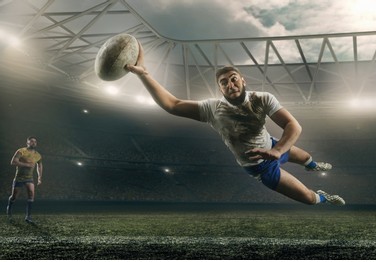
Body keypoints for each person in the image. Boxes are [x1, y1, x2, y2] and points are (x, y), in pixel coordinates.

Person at [126, 43, 344, 206]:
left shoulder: (262, 98)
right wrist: (144, 75)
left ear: (243, 80)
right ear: (220, 89)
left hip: (272, 146)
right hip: (258, 166)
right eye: (223, 82)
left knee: (306, 157)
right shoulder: (212, 109)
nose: (230, 84)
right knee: (308, 198)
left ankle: (312, 165)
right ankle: (324, 197)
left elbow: (293, 125)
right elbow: (173, 105)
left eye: (233, 78)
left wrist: (277, 150)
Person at [6, 136, 43, 224]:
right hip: (19, 178)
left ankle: (28, 216)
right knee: (14, 196)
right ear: (27, 143)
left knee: (31, 194)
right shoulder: (21, 151)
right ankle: (9, 208)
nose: (33, 143)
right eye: (31, 141)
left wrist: (39, 177)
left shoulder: (38, 155)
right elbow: (13, 162)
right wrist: (26, 165)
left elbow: (40, 165)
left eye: (35, 141)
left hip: (29, 178)